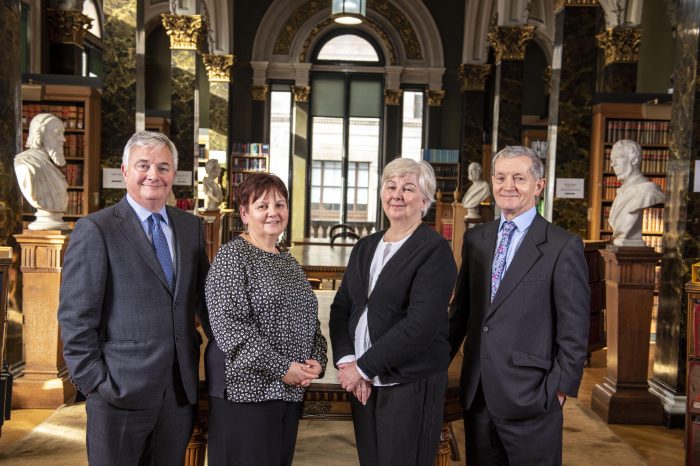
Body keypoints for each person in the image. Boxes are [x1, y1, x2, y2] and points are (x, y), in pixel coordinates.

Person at [57, 131, 210, 465]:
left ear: (173, 175)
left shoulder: (190, 228)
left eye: (163, 167)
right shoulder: (96, 229)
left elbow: (205, 300)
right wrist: (95, 383)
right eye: (143, 165)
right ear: (125, 171)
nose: (153, 174)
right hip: (118, 392)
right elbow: (75, 317)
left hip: (179, 393)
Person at [448, 146, 590, 465]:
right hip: (478, 393)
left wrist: (558, 390)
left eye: (518, 178)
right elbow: (460, 315)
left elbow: (575, 329)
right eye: (500, 178)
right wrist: (427, 366)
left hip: (533, 397)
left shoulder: (563, 246)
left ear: (538, 185)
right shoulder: (476, 240)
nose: (507, 186)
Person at [329, 157, 457, 466]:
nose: (397, 195)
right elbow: (341, 308)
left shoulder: (434, 250)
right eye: (391, 186)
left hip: (409, 383)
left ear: (424, 200)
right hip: (362, 382)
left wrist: (363, 368)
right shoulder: (365, 246)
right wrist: (348, 362)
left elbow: (420, 326)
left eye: (408, 188)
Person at [204, 172, 327, 466]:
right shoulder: (232, 257)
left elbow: (310, 321)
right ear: (244, 213)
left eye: (280, 205)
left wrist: (317, 359)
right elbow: (230, 330)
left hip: (288, 391)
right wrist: (283, 368)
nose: (273, 212)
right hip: (245, 393)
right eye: (262, 206)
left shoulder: (289, 261)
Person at [14, 112, 69, 230]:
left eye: (63, 134)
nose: (63, 139)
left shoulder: (48, 166)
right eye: (57, 133)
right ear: (41, 134)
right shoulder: (26, 165)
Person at [608, 139, 665, 246]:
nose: (612, 164)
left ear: (634, 160)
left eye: (617, 157)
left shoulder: (648, 191)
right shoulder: (621, 192)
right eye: (612, 159)